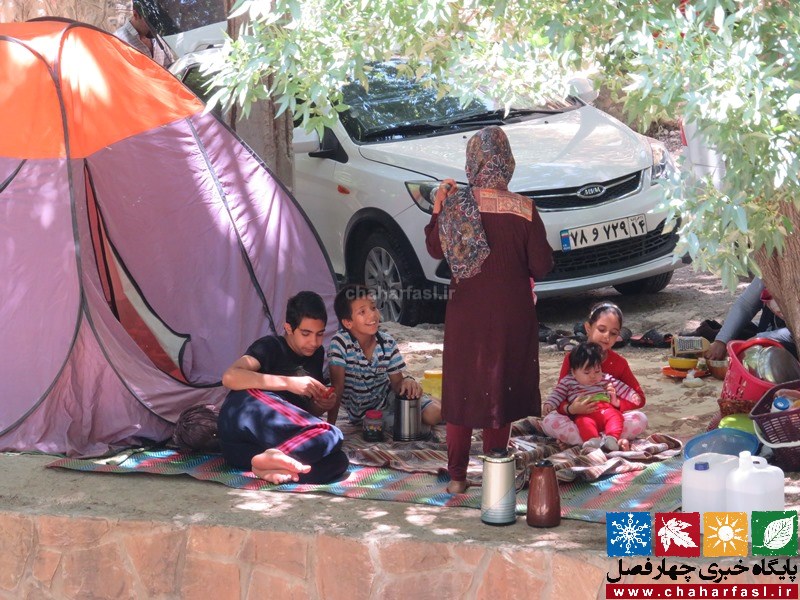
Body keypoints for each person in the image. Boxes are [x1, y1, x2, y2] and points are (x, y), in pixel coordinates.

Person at [424, 126, 554, 494]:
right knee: (502, 385)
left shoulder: (456, 205)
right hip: (512, 315)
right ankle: (496, 472)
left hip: (466, 315)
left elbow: (435, 249)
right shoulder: (524, 209)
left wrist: (438, 207)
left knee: (462, 388)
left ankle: (457, 478)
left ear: (473, 163)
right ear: (507, 162)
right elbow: (542, 265)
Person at [218, 291, 349, 484]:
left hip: (246, 452)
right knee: (331, 434)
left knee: (337, 461)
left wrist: (321, 404)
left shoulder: (316, 354)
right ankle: (272, 459)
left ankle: (263, 463)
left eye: (320, 334)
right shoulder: (270, 346)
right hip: (239, 421)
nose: (314, 342)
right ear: (288, 328)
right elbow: (229, 377)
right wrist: (289, 383)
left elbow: (298, 415)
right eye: (306, 334)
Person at [327, 284, 442, 428]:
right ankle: (434, 403)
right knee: (406, 425)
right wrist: (330, 427)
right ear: (348, 323)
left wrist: (407, 382)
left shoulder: (387, 342)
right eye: (362, 312)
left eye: (373, 307)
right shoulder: (340, 344)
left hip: (390, 398)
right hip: (365, 415)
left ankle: (436, 402)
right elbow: (337, 388)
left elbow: (397, 384)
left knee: (433, 414)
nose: (372, 315)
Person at [542, 302, 648, 448]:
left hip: (610, 417)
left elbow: (639, 399)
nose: (606, 337)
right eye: (601, 329)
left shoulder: (619, 363)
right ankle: (604, 441)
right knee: (549, 421)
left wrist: (616, 402)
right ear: (588, 328)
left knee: (640, 419)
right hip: (579, 418)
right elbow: (561, 393)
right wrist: (571, 409)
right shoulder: (573, 358)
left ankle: (597, 441)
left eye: (613, 333)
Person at [543, 342, 643, 452]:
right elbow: (557, 394)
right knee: (551, 422)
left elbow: (621, 387)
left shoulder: (605, 378)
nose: (593, 376)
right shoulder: (568, 382)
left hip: (607, 411)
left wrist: (632, 395)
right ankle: (594, 441)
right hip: (584, 415)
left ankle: (611, 439)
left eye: (597, 371)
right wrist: (550, 404)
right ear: (574, 372)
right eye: (587, 372)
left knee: (632, 417)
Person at [705, 277, 796, 360]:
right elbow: (746, 305)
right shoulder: (770, 268)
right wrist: (721, 341)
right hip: (768, 331)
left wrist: (760, 339)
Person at [114, 2, 174, 68]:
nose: (156, 27)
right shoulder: (118, 42)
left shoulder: (157, 36)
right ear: (136, 15)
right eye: (151, 21)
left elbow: (171, 67)